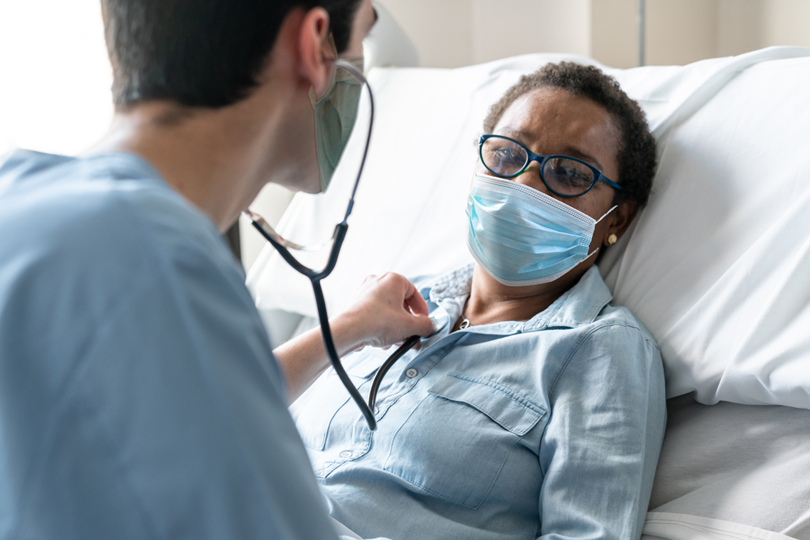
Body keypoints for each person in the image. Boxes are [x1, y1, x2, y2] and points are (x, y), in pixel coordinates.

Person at [0, 1, 433, 539]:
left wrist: (344, 329)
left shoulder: (28, 204)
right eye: (360, 40)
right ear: (316, 45)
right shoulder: (158, 266)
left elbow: (171, 405)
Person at [291, 62, 667, 540]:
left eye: (569, 172)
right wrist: (342, 329)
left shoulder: (599, 349)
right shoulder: (390, 301)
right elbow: (222, 413)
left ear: (618, 220)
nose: (526, 183)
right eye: (508, 154)